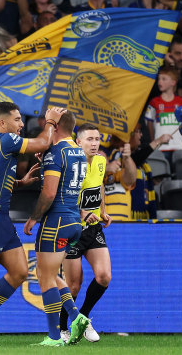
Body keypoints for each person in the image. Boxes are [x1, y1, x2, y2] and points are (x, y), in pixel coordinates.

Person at [0, 102, 64, 347]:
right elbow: (43, 143)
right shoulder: (6, 140)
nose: (21, 124)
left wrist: (19, 182)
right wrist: (50, 121)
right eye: (17, 119)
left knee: (19, 271)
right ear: (2, 122)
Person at [22, 112, 91, 347]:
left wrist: (33, 218)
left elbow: (50, 193)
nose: (46, 127)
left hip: (56, 221)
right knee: (53, 276)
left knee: (45, 278)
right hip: (73, 222)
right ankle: (77, 317)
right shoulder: (79, 151)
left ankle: (54, 337)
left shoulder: (56, 152)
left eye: (51, 123)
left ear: (58, 127)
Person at [58, 123, 111, 343]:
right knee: (73, 285)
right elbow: (60, 196)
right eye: (89, 139)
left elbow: (98, 186)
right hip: (72, 230)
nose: (94, 143)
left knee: (104, 276)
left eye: (97, 139)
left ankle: (84, 318)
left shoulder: (100, 161)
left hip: (93, 228)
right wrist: (81, 212)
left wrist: (103, 210)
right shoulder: (70, 164)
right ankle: (63, 329)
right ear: (78, 142)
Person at [145, 65, 182, 162]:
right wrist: (154, 141)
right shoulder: (154, 102)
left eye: (164, 79)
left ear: (173, 82)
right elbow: (149, 123)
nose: (159, 82)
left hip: (179, 147)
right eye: (159, 79)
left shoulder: (181, 102)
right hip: (160, 148)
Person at [103, 134, 137, 220]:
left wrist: (127, 158)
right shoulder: (87, 177)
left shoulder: (118, 173)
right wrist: (103, 171)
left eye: (101, 155)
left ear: (107, 158)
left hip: (123, 228)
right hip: (100, 228)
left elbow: (131, 178)